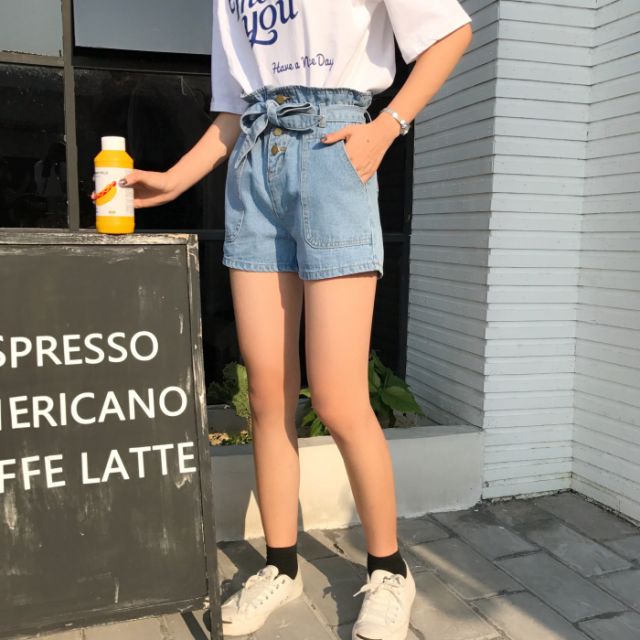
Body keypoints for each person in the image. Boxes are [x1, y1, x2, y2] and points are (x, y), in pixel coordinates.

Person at [116, 1, 472, 637]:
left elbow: (450, 31)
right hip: (255, 166)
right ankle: (281, 567)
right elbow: (235, 111)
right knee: (266, 393)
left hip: (334, 153)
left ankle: (389, 569)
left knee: (337, 399)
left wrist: (387, 126)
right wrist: (173, 180)